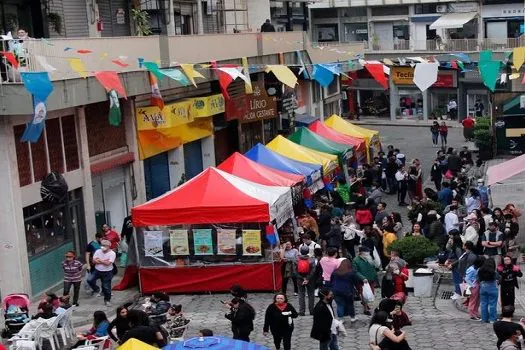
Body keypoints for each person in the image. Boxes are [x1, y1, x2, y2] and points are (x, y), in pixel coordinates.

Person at [87, 240, 116, 307]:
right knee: (89, 280)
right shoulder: (98, 251)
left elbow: (108, 264)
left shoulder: (112, 253)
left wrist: (99, 260)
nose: (103, 247)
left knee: (106, 287)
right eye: (102, 245)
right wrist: (103, 261)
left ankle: (107, 300)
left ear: (109, 246)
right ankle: (97, 289)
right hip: (97, 270)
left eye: (105, 246)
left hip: (107, 272)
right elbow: (94, 261)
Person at [353, 246, 378, 316]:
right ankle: (365, 309)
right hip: (362, 281)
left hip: (371, 279)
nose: (368, 253)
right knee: (364, 294)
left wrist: (374, 275)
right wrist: (362, 278)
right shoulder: (356, 260)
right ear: (361, 253)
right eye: (366, 252)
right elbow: (355, 271)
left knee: (371, 293)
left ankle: (365, 303)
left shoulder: (370, 258)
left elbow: (373, 267)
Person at [296, 246, 316, 316]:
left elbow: (295, 271)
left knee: (301, 295)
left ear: (300, 251)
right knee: (311, 295)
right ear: (308, 251)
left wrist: (302, 278)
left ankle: (302, 311)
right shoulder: (312, 260)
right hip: (310, 279)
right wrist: (307, 278)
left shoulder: (297, 259)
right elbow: (313, 271)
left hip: (299, 279)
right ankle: (312, 311)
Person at [478, 257, 499, 323]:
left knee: (483, 303)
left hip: (483, 287)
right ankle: (492, 319)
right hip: (492, 288)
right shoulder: (494, 272)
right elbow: (498, 278)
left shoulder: (480, 270)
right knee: (493, 304)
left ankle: (484, 318)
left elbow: (478, 279)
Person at [445, 230, 465, 299]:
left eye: (451, 239)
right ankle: (457, 292)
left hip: (457, 266)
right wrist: (448, 260)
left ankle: (458, 293)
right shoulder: (455, 247)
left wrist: (452, 264)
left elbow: (460, 259)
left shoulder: (458, 249)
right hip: (454, 266)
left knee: (457, 280)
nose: (450, 240)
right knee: (456, 279)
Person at [465, 256, 485, 321]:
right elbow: (467, 278)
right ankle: (472, 314)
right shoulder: (472, 269)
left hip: (477, 284)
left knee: (477, 300)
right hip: (473, 285)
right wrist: (473, 285)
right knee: (473, 300)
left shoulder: (476, 268)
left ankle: (475, 313)